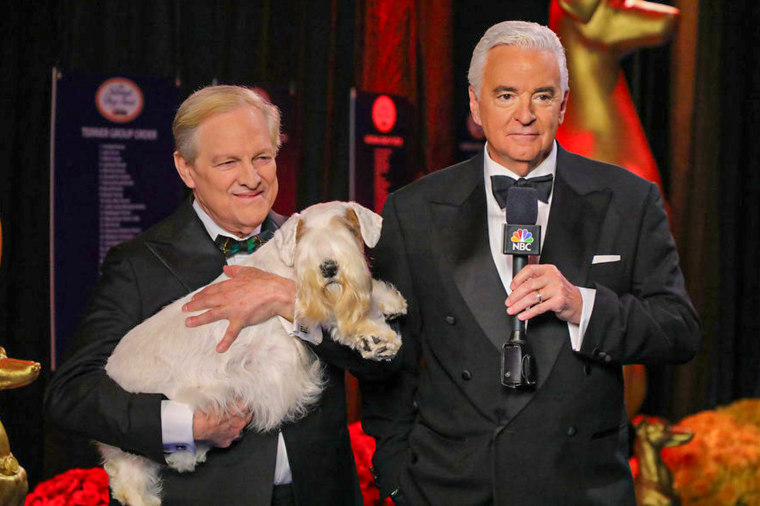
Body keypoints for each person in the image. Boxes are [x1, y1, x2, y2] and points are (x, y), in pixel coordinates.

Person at [359, 21, 701, 505]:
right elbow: (389, 360)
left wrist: (581, 304)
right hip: (449, 490)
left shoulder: (628, 199)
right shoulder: (413, 210)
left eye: (542, 96)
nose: (525, 114)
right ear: (475, 103)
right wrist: (396, 476)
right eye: (505, 95)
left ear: (563, 104)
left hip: (580, 488)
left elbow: (679, 329)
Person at [45, 85, 387, 506]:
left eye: (262, 157)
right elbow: (73, 392)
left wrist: (291, 301)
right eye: (228, 162)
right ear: (186, 169)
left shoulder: (319, 241)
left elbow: (385, 365)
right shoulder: (137, 264)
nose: (252, 177)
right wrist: (182, 426)